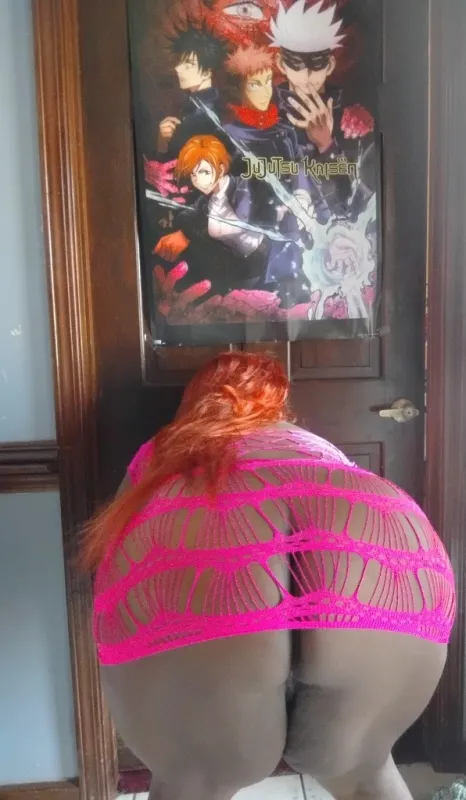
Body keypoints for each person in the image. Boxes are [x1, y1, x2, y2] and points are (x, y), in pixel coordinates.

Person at [85, 351, 455, 800]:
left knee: (192, 782)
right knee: (367, 776)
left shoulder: (170, 446)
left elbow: (115, 534)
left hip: (209, 574)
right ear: (276, 403)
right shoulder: (314, 445)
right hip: (372, 559)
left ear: (195, 401)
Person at [155, 135, 307, 303]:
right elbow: (188, 217)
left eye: (204, 172)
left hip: (274, 267)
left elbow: (268, 208)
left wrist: (288, 208)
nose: (197, 179)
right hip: (239, 277)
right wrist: (183, 234)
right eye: (193, 174)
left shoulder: (245, 188)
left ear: (220, 170)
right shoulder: (206, 202)